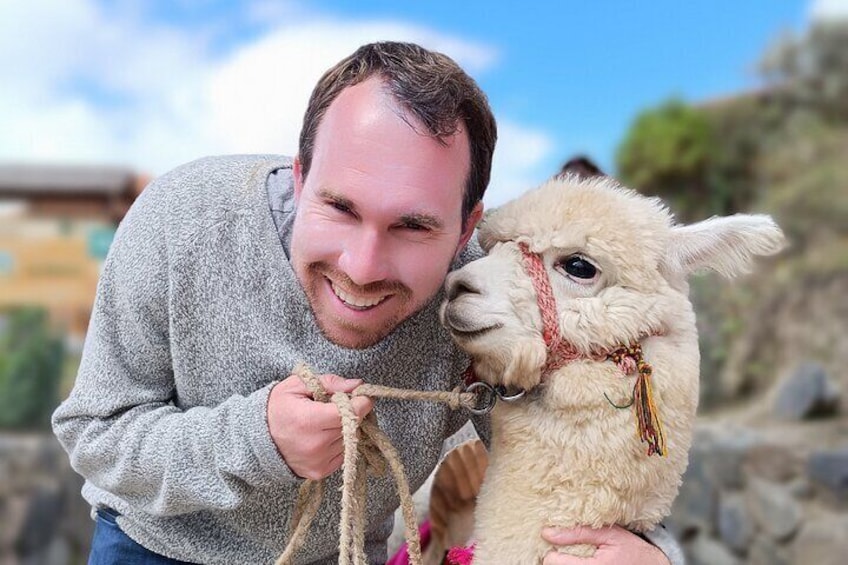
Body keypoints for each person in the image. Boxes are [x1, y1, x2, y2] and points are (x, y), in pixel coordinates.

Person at [52, 41, 680, 565]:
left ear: (467, 230)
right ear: (301, 178)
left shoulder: (484, 303)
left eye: (413, 227)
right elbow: (95, 435)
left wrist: (649, 551)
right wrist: (256, 440)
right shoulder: (178, 221)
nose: (361, 268)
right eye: (340, 208)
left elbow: (568, 451)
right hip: (153, 546)